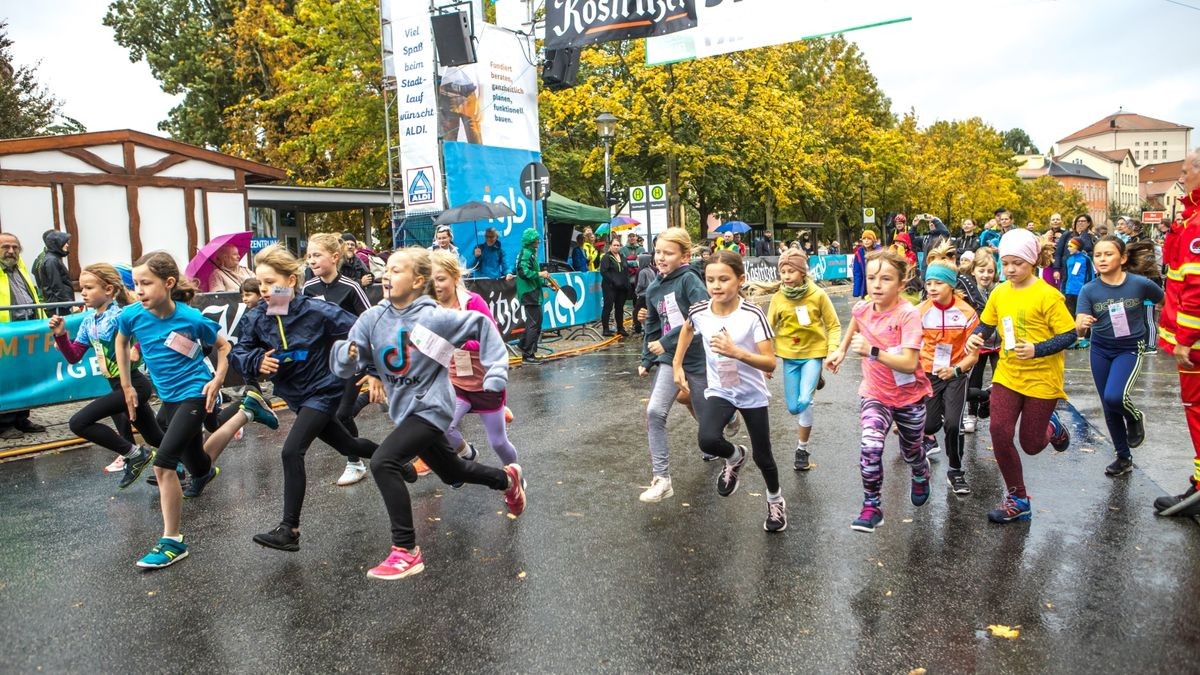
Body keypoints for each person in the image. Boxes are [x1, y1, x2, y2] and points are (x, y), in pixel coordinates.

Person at [331, 247, 525, 579]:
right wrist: (347, 354)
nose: (386, 275)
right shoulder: (372, 318)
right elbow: (347, 359)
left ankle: (405, 550)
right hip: (405, 411)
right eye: (386, 270)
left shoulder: (432, 316)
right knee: (454, 472)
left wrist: (494, 373)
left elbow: (481, 325)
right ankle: (507, 479)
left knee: (383, 461)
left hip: (433, 406)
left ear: (418, 280)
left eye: (396, 270)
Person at [233, 245, 400, 552]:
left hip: (324, 390)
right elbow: (238, 352)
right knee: (348, 445)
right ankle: (396, 460)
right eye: (260, 284)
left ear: (291, 281)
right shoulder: (257, 317)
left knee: (291, 451)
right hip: (295, 396)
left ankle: (289, 529)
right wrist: (255, 360)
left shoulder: (317, 311)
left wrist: (375, 371)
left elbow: (366, 332)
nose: (264, 290)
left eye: (271, 283)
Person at [115, 252, 229, 568]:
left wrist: (217, 379)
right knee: (198, 465)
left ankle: (172, 541)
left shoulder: (191, 319)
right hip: (169, 397)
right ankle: (247, 411)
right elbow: (121, 341)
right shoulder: (132, 315)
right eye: (136, 283)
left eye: (146, 283)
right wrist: (126, 384)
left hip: (196, 392)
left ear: (167, 283)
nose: (139, 290)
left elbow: (223, 347)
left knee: (164, 464)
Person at [964, 228, 1076, 524]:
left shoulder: (1048, 295)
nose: (1010, 269)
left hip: (1042, 379)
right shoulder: (1000, 292)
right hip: (1008, 374)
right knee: (999, 432)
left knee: (1030, 443)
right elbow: (986, 324)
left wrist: (1038, 349)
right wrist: (975, 338)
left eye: (1018, 263)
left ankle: (1053, 428)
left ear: (1033, 261)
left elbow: (1069, 335)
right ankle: (1018, 498)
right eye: (1006, 262)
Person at [673, 250, 784, 532]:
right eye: (710, 280)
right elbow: (687, 329)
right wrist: (676, 364)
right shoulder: (699, 311)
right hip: (721, 390)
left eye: (724, 279)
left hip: (751, 392)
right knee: (708, 440)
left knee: (764, 456)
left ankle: (775, 501)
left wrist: (736, 352)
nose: (716, 286)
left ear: (740, 280)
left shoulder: (752, 314)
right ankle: (734, 456)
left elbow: (770, 361)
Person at [826, 249, 932, 533]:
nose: (876, 284)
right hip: (875, 394)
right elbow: (857, 321)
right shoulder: (862, 307)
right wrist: (840, 350)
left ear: (901, 282)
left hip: (909, 398)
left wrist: (873, 351)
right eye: (872, 277)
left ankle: (921, 472)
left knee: (911, 451)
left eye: (885, 279)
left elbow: (910, 364)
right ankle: (872, 505)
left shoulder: (908, 315)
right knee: (870, 447)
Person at [51, 263, 161, 489]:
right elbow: (74, 356)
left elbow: (151, 330)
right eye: (81, 288)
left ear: (109, 290)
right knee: (155, 437)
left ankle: (135, 454)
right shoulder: (88, 321)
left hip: (134, 384)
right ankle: (193, 466)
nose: (83, 293)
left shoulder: (121, 315)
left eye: (89, 288)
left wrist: (137, 349)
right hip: (116, 385)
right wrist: (61, 337)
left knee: (79, 422)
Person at [1075, 236, 1163, 477]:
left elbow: (1165, 300)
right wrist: (1082, 325)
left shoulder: (1140, 284)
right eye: (1098, 255)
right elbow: (1079, 328)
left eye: (1108, 254)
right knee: (1108, 405)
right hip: (1100, 349)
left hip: (1130, 348)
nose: (1102, 259)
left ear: (1123, 258)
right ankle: (1123, 457)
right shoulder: (1089, 290)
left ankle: (1135, 417)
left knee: (1115, 397)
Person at [637, 228, 712, 503]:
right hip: (670, 360)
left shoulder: (690, 280)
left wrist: (666, 341)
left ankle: (729, 424)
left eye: (668, 253)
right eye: (658, 251)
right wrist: (646, 359)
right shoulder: (655, 286)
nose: (661, 257)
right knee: (655, 412)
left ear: (685, 256)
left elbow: (701, 315)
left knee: (711, 429)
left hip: (699, 358)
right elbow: (652, 325)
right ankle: (662, 479)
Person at [429, 250, 518, 472]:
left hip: (484, 383)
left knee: (498, 442)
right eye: (431, 280)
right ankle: (468, 454)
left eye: (441, 279)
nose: (436, 286)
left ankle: (515, 474)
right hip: (456, 384)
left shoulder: (473, 302)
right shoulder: (431, 308)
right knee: (442, 427)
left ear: (455, 278)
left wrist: (460, 343)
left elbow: (493, 340)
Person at [304, 232, 374, 486]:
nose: (311, 261)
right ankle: (367, 399)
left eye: (317, 255)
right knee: (333, 413)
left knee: (343, 414)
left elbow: (370, 320)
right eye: (309, 255)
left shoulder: (351, 287)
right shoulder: (308, 288)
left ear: (335, 257)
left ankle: (355, 463)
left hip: (352, 359)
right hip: (324, 363)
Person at [1153, 149, 1200, 517]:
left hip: (1196, 344)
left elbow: (1194, 287)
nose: (1182, 178)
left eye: (1186, 172)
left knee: (1196, 409)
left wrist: (1185, 339)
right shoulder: (1190, 219)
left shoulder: (1197, 225)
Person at [768, 248, 841, 471]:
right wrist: (766, 359)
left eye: (791, 271)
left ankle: (802, 447)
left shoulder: (817, 294)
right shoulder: (778, 298)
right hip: (789, 356)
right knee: (793, 407)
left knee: (805, 401)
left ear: (802, 272)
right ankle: (812, 383)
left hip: (813, 354)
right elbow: (767, 329)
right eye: (783, 271)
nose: (787, 275)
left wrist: (832, 351)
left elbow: (834, 325)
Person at [916, 244, 980, 494]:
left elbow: (973, 356)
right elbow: (910, 346)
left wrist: (955, 370)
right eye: (929, 282)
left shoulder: (966, 312)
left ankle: (955, 471)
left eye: (938, 283)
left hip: (956, 374)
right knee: (930, 425)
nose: (931, 287)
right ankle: (984, 396)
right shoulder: (920, 312)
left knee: (953, 424)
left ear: (951, 285)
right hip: (929, 375)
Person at [0, 233, 47, 439]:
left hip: (27, 331)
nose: (11, 251)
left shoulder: (21, 268)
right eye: (5, 247)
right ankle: (4, 423)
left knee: (26, 377)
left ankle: (21, 418)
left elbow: (33, 297)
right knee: (7, 380)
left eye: (15, 247)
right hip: (5, 334)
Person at [959, 247, 999, 434]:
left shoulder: (1000, 290)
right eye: (981, 270)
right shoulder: (967, 293)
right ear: (973, 270)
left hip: (999, 343)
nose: (985, 275)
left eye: (990, 271)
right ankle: (972, 415)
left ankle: (996, 412)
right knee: (974, 380)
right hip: (978, 343)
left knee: (1000, 381)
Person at [514, 228, 552, 363]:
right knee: (534, 324)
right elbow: (523, 272)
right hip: (529, 294)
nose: (538, 241)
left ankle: (525, 347)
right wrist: (540, 274)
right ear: (530, 240)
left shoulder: (530, 253)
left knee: (536, 323)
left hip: (533, 291)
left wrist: (546, 284)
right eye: (536, 239)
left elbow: (533, 274)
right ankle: (527, 353)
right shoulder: (525, 254)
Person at [32, 230, 73, 315]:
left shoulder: (52, 258)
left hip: (58, 304)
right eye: (64, 242)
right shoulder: (52, 260)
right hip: (59, 305)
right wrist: (68, 304)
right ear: (57, 243)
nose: (67, 245)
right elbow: (56, 285)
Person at [600, 239, 632, 337]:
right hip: (610, 286)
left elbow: (626, 271)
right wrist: (614, 281)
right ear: (610, 246)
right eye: (614, 245)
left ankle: (620, 328)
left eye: (618, 245)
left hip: (621, 287)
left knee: (620, 308)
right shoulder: (606, 257)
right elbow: (604, 272)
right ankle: (606, 329)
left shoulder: (622, 257)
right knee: (608, 307)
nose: (616, 247)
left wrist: (627, 283)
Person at [1054, 214, 1095, 288]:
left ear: (1088, 223)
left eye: (1083, 221)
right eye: (1078, 221)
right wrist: (1056, 269)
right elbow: (1058, 253)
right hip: (1067, 268)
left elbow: (1089, 249)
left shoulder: (1092, 237)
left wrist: (1084, 234)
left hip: (1083, 271)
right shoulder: (1067, 235)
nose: (1080, 223)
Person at [1063, 237, 1094, 319]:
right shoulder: (1068, 259)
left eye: (1071, 246)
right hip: (1069, 290)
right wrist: (1063, 290)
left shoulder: (1086, 259)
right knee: (1070, 315)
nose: (1068, 248)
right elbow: (1065, 275)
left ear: (1077, 247)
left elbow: (1091, 274)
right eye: (1068, 246)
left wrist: (1090, 289)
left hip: (1081, 290)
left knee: (1081, 314)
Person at [852, 230, 880, 299]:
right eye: (864, 239)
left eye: (869, 238)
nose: (866, 241)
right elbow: (857, 273)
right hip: (865, 286)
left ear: (873, 240)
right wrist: (856, 290)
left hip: (877, 284)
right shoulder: (858, 253)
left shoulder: (879, 251)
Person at [632, 252, 655, 335]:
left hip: (642, 295)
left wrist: (636, 291)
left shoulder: (642, 272)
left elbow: (641, 284)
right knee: (648, 312)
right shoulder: (651, 270)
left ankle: (637, 328)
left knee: (637, 312)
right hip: (650, 294)